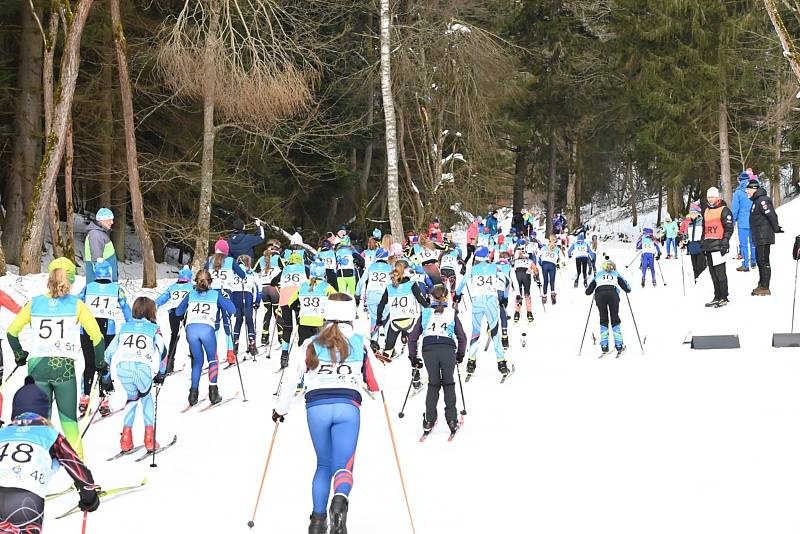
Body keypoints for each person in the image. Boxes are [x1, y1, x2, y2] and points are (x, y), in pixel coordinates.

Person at [273, 293, 380, 534]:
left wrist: (281, 410)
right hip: (347, 406)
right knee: (344, 466)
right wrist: (376, 391)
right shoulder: (360, 342)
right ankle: (339, 502)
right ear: (352, 314)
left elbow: (290, 378)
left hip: (317, 406)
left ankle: (318, 521)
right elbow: (375, 381)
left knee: (323, 465)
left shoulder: (310, 343)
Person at [6, 258, 106, 458]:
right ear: (70, 279)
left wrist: (19, 354)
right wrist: (100, 362)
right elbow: (97, 336)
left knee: (40, 422)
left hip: (37, 367)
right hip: (64, 368)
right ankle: (80, 472)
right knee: (69, 422)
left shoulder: (34, 303)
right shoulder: (77, 304)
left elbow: (11, 332)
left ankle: (35, 464)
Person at [0, 376, 99, 532]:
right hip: (26, 498)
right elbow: (77, 468)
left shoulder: (2, 433)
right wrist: (89, 497)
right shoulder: (50, 435)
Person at [102, 297, 167, 453]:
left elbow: (109, 353)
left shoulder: (125, 327)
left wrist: (106, 376)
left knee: (132, 399)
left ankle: (126, 438)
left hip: (123, 370)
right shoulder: (154, 329)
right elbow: (163, 351)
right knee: (146, 398)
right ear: (152, 311)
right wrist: (161, 373)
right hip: (142, 369)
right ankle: (149, 438)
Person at [407, 285, 466, 435]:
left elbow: (412, 338)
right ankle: (452, 420)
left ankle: (429, 420)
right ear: (447, 298)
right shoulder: (452, 313)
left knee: (433, 383)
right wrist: (460, 355)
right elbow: (462, 337)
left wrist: (413, 358)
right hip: (447, 350)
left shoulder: (425, 313)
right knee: (448, 383)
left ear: (431, 297)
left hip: (429, 349)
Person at [77, 259, 132, 417]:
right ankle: (103, 400)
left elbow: (77, 302)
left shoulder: (88, 287)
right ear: (109, 272)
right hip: (108, 328)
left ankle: (84, 398)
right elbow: (124, 306)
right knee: (104, 364)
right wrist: (130, 324)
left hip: (87, 328)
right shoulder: (116, 289)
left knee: (89, 364)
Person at [175, 270, 237, 406]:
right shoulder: (216, 294)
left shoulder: (190, 294)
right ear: (210, 282)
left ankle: (193, 394)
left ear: (196, 282)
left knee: (197, 361)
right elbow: (233, 310)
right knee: (212, 359)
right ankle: (213, 393)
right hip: (207, 329)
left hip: (191, 329)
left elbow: (178, 312)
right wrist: (225, 297)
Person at [455, 247, 511, 379]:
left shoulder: (473, 269)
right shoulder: (494, 267)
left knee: (475, 332)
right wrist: (505, 297)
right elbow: (507, 281)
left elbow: (462, 283)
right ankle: (501, 363)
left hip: (477, 303)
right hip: (491, 302)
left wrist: (457, 296)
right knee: (495, 331)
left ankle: (471, 362)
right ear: (487, 256)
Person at [375, 260, 429, 390]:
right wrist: (431, 308)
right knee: (414, 352)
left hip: (394, 323)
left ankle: (375, 377)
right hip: (410, 322)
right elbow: (422, 301)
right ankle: (416, 380)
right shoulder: (412, 285)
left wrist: (379, 320)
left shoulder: (389, 287)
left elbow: (381, 304)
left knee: (387, 351)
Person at [206, 239, 247, 364]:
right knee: (227, 323)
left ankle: (214, 354)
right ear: (226, 251)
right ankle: (230, 353)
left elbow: (203, 274)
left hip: (212, 294)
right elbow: (242, 274)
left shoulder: (209, 261)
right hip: (225, 293)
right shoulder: (230, 261)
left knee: (215, 324)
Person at [585, 257, 632, 356]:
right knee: (615, 319)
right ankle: (619, 345)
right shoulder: (616, 274)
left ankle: (604, 345)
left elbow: (588, 291)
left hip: (600, 295)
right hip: (612, 294)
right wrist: (626, 289)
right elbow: (627, 288)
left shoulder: (598, 274)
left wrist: (592, 288)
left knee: (603, 319)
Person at [745, 179, 783, 295]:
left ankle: (765, 287)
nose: (747, 192)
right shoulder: (756, 201)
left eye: (748, 189)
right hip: (759, 236)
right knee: (759, 260)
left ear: (754, 189)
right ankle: (761, 283)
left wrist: (776, 228)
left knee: (763, 261)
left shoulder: (762, 200)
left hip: (764, 236)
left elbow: (771, 214)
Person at [287, 261, 336, 345]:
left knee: (304, 349)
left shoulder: (303, 286)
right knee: (320, 349)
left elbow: (290, 302)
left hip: (304, 321)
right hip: (320, 322)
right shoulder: (327, 287)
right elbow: (337, 301)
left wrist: (298, 309)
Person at [155, 265, 193, 374]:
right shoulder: (192, 287)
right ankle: (195, 361)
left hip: (173, 313)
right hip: (187, 311)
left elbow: (162, 299)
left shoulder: (172, 287)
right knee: (191, 335)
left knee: (174, 336)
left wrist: (155, 306)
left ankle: (169, 364)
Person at [701, 187, 734, 308]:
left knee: (720, 273)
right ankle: (717, 296)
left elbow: (729, 228)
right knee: (713, 273)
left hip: (719, 246)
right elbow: (705, 228)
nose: (710, 199)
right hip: (708, 246)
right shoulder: (706, 210)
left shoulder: (724, 210)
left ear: (717, 197)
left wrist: (725, 243)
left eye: (712, 197)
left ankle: (724, 297)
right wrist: (702, 243)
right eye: (709, 197)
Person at [356, 248, 392, 350]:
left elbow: (362, 281)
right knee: (386, 320)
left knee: (374, 320)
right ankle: (389, 346)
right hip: (385, 297)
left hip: (371, 297)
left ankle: (374, 344)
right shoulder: (390, 268)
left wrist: (357, 294)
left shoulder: (371, 267)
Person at [231, 255, 261, 357]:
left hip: (235, 297)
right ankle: (252, 345)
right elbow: (257, 288)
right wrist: (257, 301)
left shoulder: (233, 272)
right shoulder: (251, 273)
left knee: (238, 321)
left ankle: (235, 344)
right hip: (247, 297)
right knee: (249, 321)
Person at [256, 241, 284, 347]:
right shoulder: (277, 258)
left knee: (267, 312)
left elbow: (255, 271)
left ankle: (264, 336)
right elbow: (285, 269)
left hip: (264, 288)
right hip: (274, 288)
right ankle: (281, 336)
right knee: (277, 312)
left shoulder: (261, 259)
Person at [731, 172, 757, 272]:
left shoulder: (738, 192)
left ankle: (746, 264)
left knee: (743, 244)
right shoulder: (753, 189)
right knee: (753, 242)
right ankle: (754, 261)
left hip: (743, 222)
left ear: (739, 180)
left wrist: (733, 220)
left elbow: (735, 209)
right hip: (754, 220)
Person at [84, 207, 117, 283]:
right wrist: (101, 283)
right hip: (101, 282)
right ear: (101, 220)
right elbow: (97, 260)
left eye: (112, 219)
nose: (112, 222)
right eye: (109, 220)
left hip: (106, 279)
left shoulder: (100, 233)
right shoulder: (96, 234)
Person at [680, 202, 707, 281]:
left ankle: (701, 282)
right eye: (691, 213)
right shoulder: (689, 224)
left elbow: (706, 233)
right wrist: (683, 242)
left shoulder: (702, 222)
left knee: (701, 267)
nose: (692, 214)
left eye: (694, 212)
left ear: (698, 213)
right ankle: (696, 280)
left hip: (700, 247)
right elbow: (687, 236)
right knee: (694, 267)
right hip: (692, 247)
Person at [513, 239, 538, 323]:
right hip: (526, 275)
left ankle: (517, 313)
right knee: (527, 293)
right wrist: (536, 277)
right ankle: (529, 313)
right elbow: (535, 269)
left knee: (518, 294)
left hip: (517, 275)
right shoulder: (529, 260)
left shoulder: (515, 260)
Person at [539, 235, 562, 305]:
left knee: (545, 281)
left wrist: (541, 263)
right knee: (552, 281)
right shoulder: (557, 249)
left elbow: (538, 256)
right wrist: (558, 264)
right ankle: (553, 294)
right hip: (552, 265)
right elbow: (561, 258)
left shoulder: (544, 248)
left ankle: (544, 296)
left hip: (544, 264)